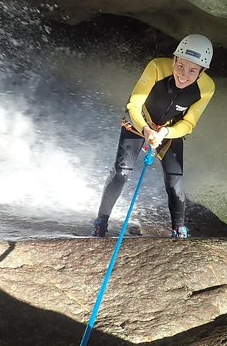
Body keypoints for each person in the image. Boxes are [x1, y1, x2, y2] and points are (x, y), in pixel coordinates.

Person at [92, 34, 215, 239]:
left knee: (175, 182)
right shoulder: (157, 67)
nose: (183, 75)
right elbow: (134, 105)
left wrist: (166, 132)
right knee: (121, 173)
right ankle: (100, 222)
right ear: (174, 60)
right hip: (139, 121)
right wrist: (145, 130)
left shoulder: (207, 88)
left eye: (193, 71)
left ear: (202, 72)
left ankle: (178, 229)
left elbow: (189, 124)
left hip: (169, 130)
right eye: (180, 66)